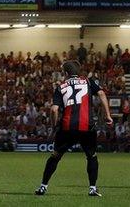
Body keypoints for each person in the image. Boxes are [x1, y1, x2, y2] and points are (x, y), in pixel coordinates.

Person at [35, 60, 112, 197]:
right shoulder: (88, 82)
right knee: (91, 156)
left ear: (65, 73)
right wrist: (107, 115)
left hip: (67, 127)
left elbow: (54, 109)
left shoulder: (61, 87)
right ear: (79, 71)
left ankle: (43, 186)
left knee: (55, 156)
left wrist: (53, 126)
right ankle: (92, 188)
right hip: (86, 126)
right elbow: (101, 94)